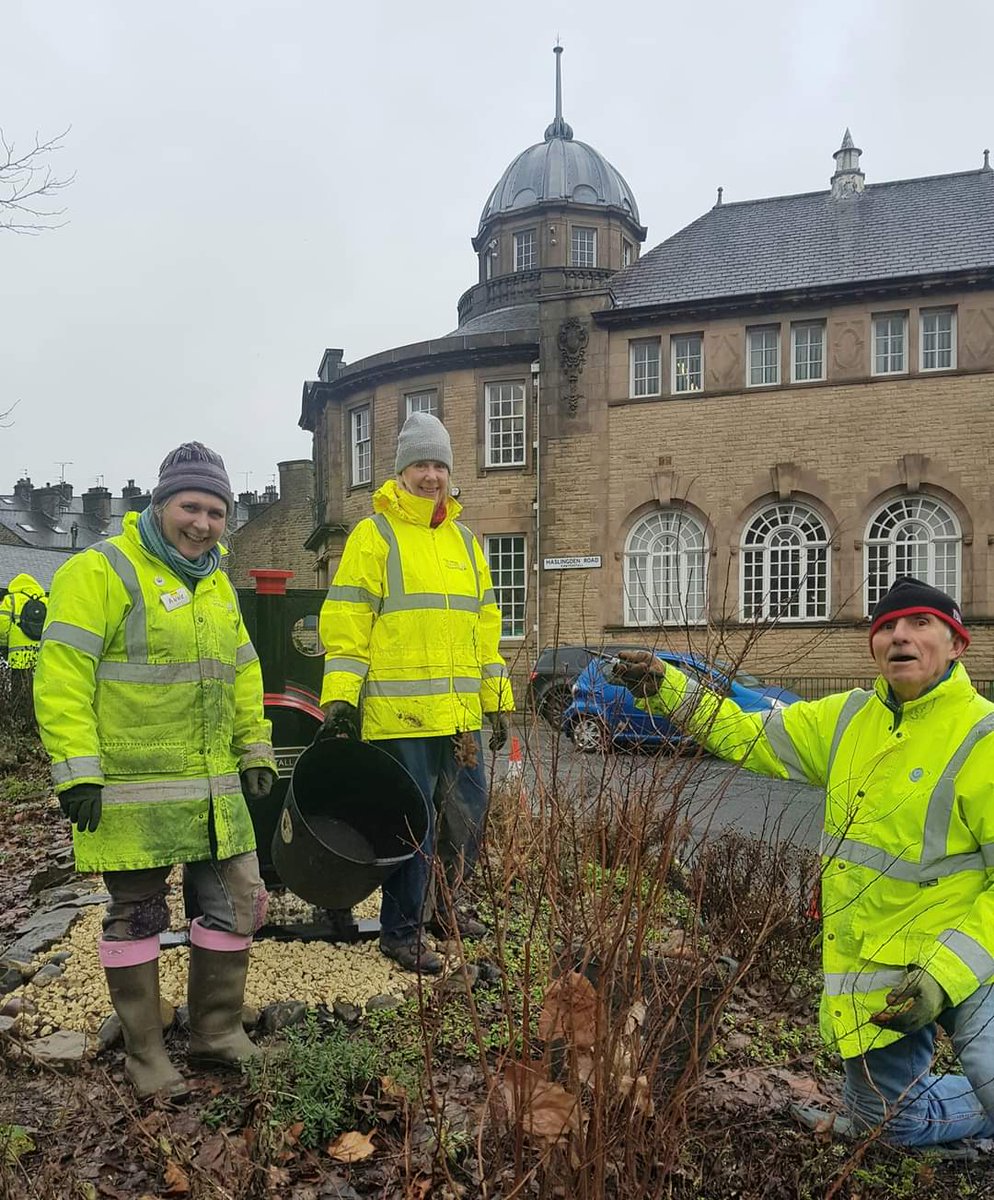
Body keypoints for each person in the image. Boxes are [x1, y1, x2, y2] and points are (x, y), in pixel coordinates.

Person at [612, 576, 994, 1148]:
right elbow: (746, 732)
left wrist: (944, 976)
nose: (900, 636)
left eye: (920, 623)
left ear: (957, 643)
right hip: (882, 968)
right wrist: (668, 687)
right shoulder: (847, 719)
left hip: (973, 954)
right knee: (889, 1126)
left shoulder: (984, 736)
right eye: (887, 626)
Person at [33, 442, 277, 1099]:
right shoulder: (102, 570)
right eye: (190, 507)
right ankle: (145, 1053)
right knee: (137, 913)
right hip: (132, 792)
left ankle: (216, 1031)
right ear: (161, 503)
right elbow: (63, 672)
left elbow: (244, 674)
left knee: (238, 901)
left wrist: (255, 748)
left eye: (216, 512)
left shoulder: (217, 585)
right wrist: (77, 770)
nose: (202, 523)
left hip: (214, 791)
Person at [318, 412, 514, 973]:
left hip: (459, 717)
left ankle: (445, 911)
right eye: (420, 465)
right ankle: (401, 931)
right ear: (401, 471)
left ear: (450, 471)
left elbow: (485, 627)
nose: (431, 476)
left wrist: (496, 700)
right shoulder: (374, 535)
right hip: (399, 717)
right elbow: (348, 622)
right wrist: (341, 699)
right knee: (412, 826)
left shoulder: (466, 542)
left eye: (439, 465)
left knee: (467, 818)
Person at [0, 572, 47, 669]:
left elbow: (2, 625)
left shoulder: (11, 599)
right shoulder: (47, 601)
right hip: (41, 658)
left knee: (20, 679)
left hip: (17, 656)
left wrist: (4, 645)